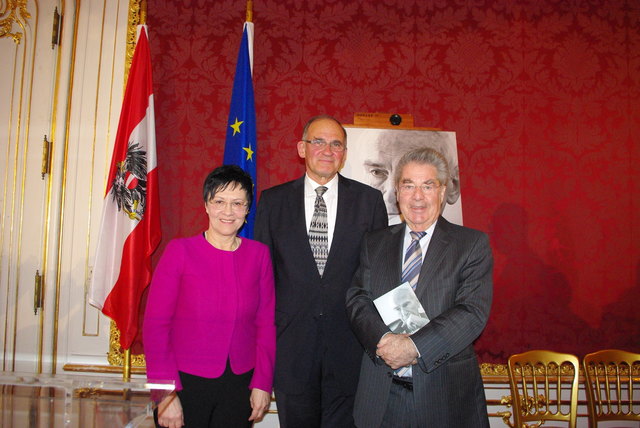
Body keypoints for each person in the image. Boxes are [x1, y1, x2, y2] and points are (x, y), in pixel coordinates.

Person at [254, 115, 387, 427]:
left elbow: (379, 277)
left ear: (344, 152)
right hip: (292, 353)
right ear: (302, 148)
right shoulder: (273, 202)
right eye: (319, 141)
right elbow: (263, 279)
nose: (328, 150)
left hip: (352, 353)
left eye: (336, 144)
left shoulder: (369, 201)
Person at [346, 147, 493, 427]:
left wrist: (414, 347)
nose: (417, 196)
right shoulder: (374, 243)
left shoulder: (471, 245)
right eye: (408, 185)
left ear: (442, 191)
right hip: (382, 397)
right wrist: (384, 341)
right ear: (397, 192)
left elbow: (472, 312)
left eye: (428, 185)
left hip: (445, 397)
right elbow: (357, 299)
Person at [143, 165, 275, 428]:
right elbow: (155, 326)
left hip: (240, 384)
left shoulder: (258, 255)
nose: (228, 211)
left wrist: (262, 383)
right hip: (183, 384)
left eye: (238, 203)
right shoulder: (179, 251)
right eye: (219, 201)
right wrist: (165, 396)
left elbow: (266, 324)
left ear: (248, 209)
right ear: (206, 205)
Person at [362, 130, 461, 224]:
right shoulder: (364, 240)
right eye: (377, 172)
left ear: (454, 186)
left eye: (411, 179)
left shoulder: (471, 240)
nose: (390, 197)